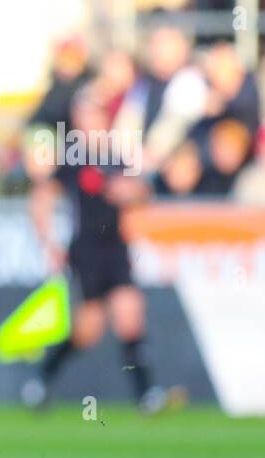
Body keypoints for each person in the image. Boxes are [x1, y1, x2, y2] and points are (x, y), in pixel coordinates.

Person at [24, 85, 182, 414]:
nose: (90, 120)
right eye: (84, 114)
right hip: (87, 251)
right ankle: (42, 378)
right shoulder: (71, 158)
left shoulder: (115, 155)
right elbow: (42, 197)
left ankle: (147, 393)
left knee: (130, 315)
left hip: (115, 248)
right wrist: (48, 242)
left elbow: (141, 192)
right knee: (88, 330)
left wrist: (130, 191)